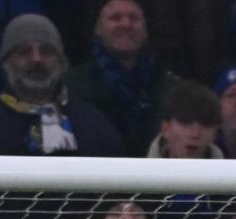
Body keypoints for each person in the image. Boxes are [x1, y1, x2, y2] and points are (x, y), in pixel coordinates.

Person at [0, 14, 125, 157]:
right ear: (5, 63)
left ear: (62, 62)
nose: (36, 59)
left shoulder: (96, 125)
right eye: (24, 52)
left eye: (47, 51)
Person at [66, 0, 181, 158]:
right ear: (97, 28)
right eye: (115, 18)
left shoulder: (171, 87)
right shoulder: (72, 85)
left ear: (146, 29)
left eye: (134, 18)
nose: (126, 24)